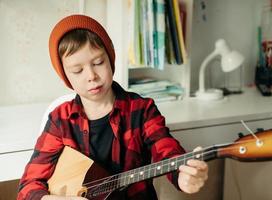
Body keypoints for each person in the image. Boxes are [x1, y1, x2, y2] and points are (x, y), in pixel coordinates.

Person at [17, 14, 208, 200]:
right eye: (78, 70)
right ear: (66, 76)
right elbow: (28, 185)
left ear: (110, 59)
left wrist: (183, 175)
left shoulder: (142, 110)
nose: (91, 75)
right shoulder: (60, 120)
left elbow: (166, 150)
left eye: (98, 62)